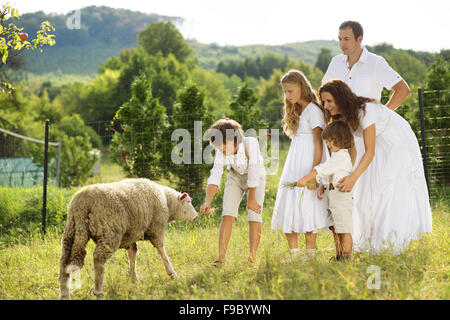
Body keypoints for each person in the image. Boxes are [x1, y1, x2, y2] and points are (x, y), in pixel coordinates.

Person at [318, 80, 432, 254]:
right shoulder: (342, 118)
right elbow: (352, 150)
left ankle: (390, 242)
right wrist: (346, 175)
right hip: (378, 145)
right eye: (323, 102)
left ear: (340, 98)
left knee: (386, 189)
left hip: (396, 142)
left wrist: (354, 178)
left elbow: (369, 151)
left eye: (329, 101)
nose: (325, 106)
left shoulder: (365, 111)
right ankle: (368, 238)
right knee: (365, 191)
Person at [271, 70, 331, 262]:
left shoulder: (314, 110)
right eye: (285, 92)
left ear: (302, 87)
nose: (287, 96)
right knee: (290, 202)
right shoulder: (298, 109)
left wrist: (314, 174)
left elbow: (318, 143)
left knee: (309, 204)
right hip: (295, 162)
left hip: (309, 162)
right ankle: (294, 253)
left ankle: (310, 254)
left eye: (291, 91)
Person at [200, 118, 266, 266]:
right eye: (218, 148)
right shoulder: (221, 151)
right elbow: (216, 174)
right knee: (227, 214)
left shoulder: (251, 143)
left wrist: (251, 199)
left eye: (222, 146)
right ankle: (221, 258)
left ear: (232, 139)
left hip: (256, 178)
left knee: (254, 214)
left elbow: (254, 172)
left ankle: (252, 256)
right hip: (235, 176)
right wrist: (207, 201)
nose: (221, 150)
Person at [297, 121, 354, 262]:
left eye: (329, 141)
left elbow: (323, 169)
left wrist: (306, 179)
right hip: (332, 194)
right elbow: (331, 174)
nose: (327, 144)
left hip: (340, 197)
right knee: (335, 227)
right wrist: (323, 186)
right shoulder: (336, 155)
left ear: (340, 139)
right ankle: (339, 254)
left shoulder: (342, 156)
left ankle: (346, 257)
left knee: (343, 227)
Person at [322, 20, 410, 110]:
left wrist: (382, 116)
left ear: (359, 39)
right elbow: (324, 92)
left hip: (368, 123)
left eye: (346, 39)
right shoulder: (335, 62)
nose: (342, 43)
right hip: (340, 122)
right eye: (340, 39)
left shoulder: (376, 63)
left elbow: (403, 90)